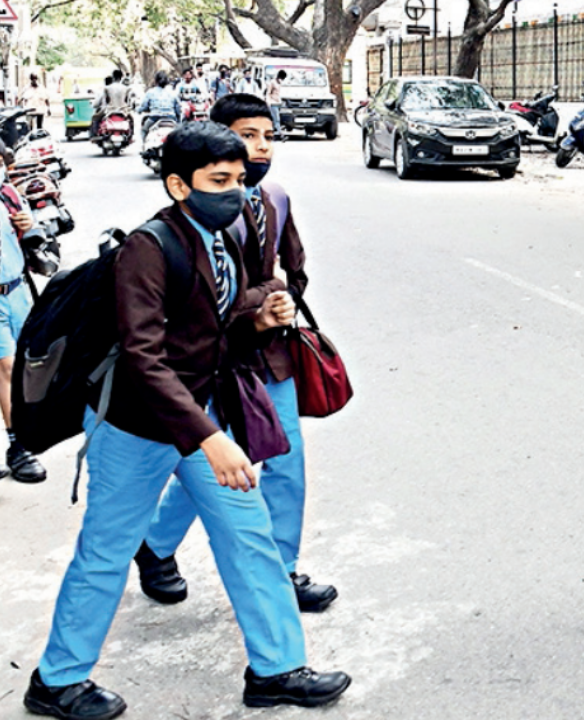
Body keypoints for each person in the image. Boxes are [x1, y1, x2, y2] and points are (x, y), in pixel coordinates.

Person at [23, 122, 351, 720]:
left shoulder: (217, 234)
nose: (235, 190)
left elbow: (205, 330)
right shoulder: (148, 249)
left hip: (198, 412)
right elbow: (146, 359)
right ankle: (57, 680)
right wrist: (210, 439)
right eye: (218, 180)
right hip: (134, 426)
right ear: (179, 184)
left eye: (239, 178)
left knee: (249, 534)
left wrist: (258, 318)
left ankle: (277, 669)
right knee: (106, 548)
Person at [137, 93, 337, 612]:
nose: (261, 146)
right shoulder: (198, 212)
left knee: (285, 460)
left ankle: (283, 568)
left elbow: (291, 267)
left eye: (268, 136)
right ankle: (155, 545)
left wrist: (284, 297)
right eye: (248, 136)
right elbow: (193, 300)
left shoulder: (276, 198)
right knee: (216, 464)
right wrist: (254, 302)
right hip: (213, 360)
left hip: (271, 353)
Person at [0, 166, 45, 484]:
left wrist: (30, 224)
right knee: (7, 366)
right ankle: (19, 446)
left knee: (26, 367)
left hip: (17, 291)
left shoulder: (8, 196)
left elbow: (34, 234)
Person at [91, 69, 133, 138]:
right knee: (131, 120)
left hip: (110, 111)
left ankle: (95, 135)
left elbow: (105, 102)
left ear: (113, 77)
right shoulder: (126, 88)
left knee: (95, 118)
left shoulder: (107, 88)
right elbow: (128, 102)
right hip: (123, 111)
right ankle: (130, 136)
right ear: (121, 77)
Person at [138, 71, 181, 136]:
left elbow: (143, 106)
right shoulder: (173, 93)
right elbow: (178, 108)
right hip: (171, 118)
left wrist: (138, 110)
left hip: (154, 118)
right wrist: (178, 118)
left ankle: (144, 145)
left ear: (155, 81)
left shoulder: (150, 92)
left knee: (144, 130)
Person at [265, 70, 285, 136]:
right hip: (273, 103)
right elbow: (268, 93)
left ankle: (270, 134)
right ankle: (281, 134)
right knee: (277, 119)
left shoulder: (280, 82)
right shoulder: (272, 82)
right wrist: (268, 102)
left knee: (274, 119)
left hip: (278, 103)